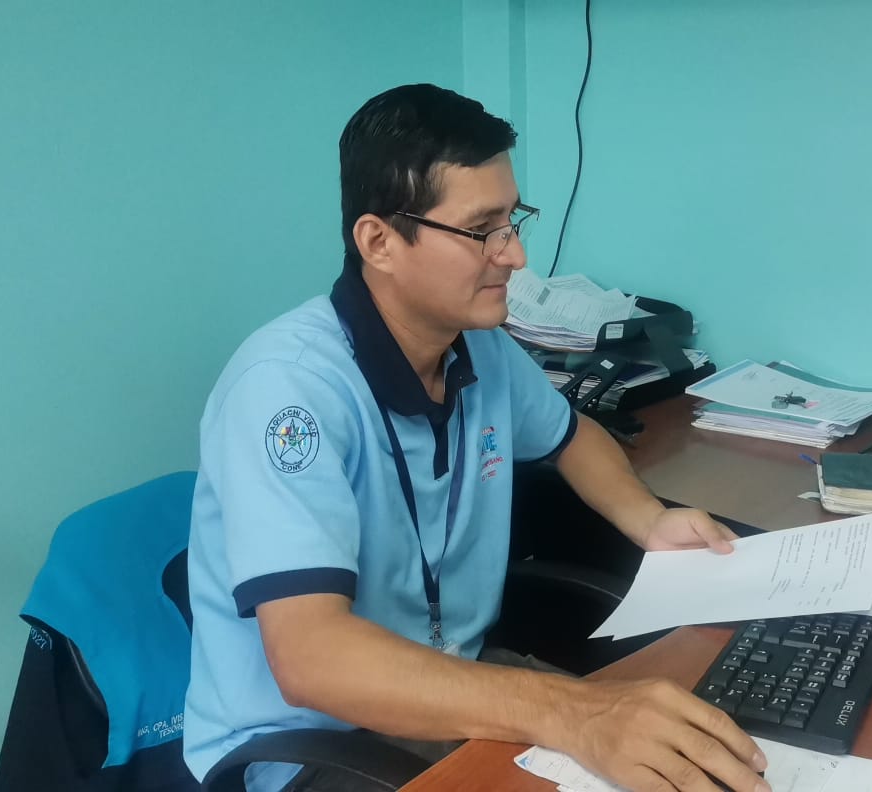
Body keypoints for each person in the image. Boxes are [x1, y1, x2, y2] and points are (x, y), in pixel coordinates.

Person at [183, 83, 769, 792]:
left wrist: (649, 519)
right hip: (315, 746)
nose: (515, 255)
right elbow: (312, 659)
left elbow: (572, 435)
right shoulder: (287, 391)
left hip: (452, 686)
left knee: (693, 752)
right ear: (379, 242)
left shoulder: (478, 344)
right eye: (482, 229)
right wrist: (570, 711)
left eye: (513, 220)